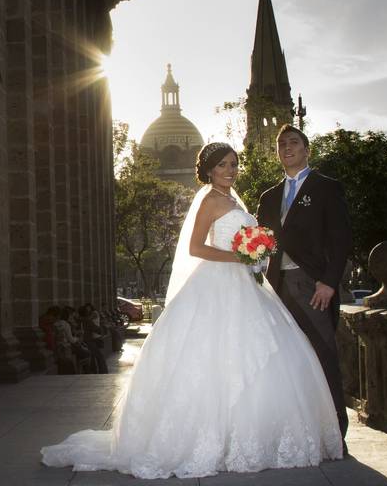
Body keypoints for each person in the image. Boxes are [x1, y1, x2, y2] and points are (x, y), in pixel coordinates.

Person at [41, 142, 342, 479]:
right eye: (223, 165)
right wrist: (239, 257)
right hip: (215, 282)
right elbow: (196, 247)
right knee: (210, 356)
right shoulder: (211, 200)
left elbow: (247, 241)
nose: (230, 170)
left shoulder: (234, 200)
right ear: (210, 170)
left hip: (245, 285)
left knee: (261, 354)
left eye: (234, 164)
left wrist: (256, 257)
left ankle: (251, 434)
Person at [257, 124, 353, 445]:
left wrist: (328, 282)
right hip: (276, 287)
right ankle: (297, 430)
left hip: (312, 285)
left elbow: (341, 240)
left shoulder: (326, 187)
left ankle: (336, 432)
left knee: (323, 354)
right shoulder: (268, 197)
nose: (287, 147)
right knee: (286, 360)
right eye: (281, 144)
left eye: (293, 142)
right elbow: (262, 243)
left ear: (306, 148)